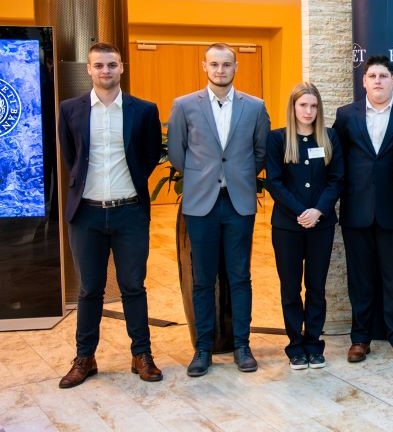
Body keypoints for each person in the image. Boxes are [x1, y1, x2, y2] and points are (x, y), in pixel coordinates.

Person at [56, 42, 163, 387]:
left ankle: (141, 354)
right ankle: (84, 358)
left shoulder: (143, 110)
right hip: (86, 214)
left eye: (112, 65)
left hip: (129, 213)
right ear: (89, 69)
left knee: (133, 286)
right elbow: (71, 158)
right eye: (99, 65)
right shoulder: (69, 110)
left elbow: (149, 155)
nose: (106, 71)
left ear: (122, 67)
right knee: (90, 289)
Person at [167, 43, 270, 377]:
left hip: (238, 203)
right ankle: (203, 348)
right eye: (214, 64)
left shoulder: (255, 107)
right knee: (202, 279)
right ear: (205, 66)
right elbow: (177, 153)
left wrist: (238, 176)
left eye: (226, 64)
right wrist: (203, 177)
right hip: (201, 204)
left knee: (240, 277)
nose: (220, 70)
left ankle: (242, 345)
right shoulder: (184, 106)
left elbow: (260, 152)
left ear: (236, 67)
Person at [333, 56, 393, 365]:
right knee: (360, 279)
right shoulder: (345, 115)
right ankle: (360, 338)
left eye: (383, 75)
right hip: (357, 210)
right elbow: (338, 161)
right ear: (364, 81)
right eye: (372, 76)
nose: (378, 80)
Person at [265, 83, 343, 370]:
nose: (308, 111)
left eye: (313, 106)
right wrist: (301, 211)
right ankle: (295, 346)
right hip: (288, 226)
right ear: (293, 107)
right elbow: (274, 182)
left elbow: (337, 179)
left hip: (321, 225)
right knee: (290, 287)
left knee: (316, 286)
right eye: (303, 105)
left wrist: (318, 211)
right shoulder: (277, 139)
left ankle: (313, 343)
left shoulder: (330, 137)